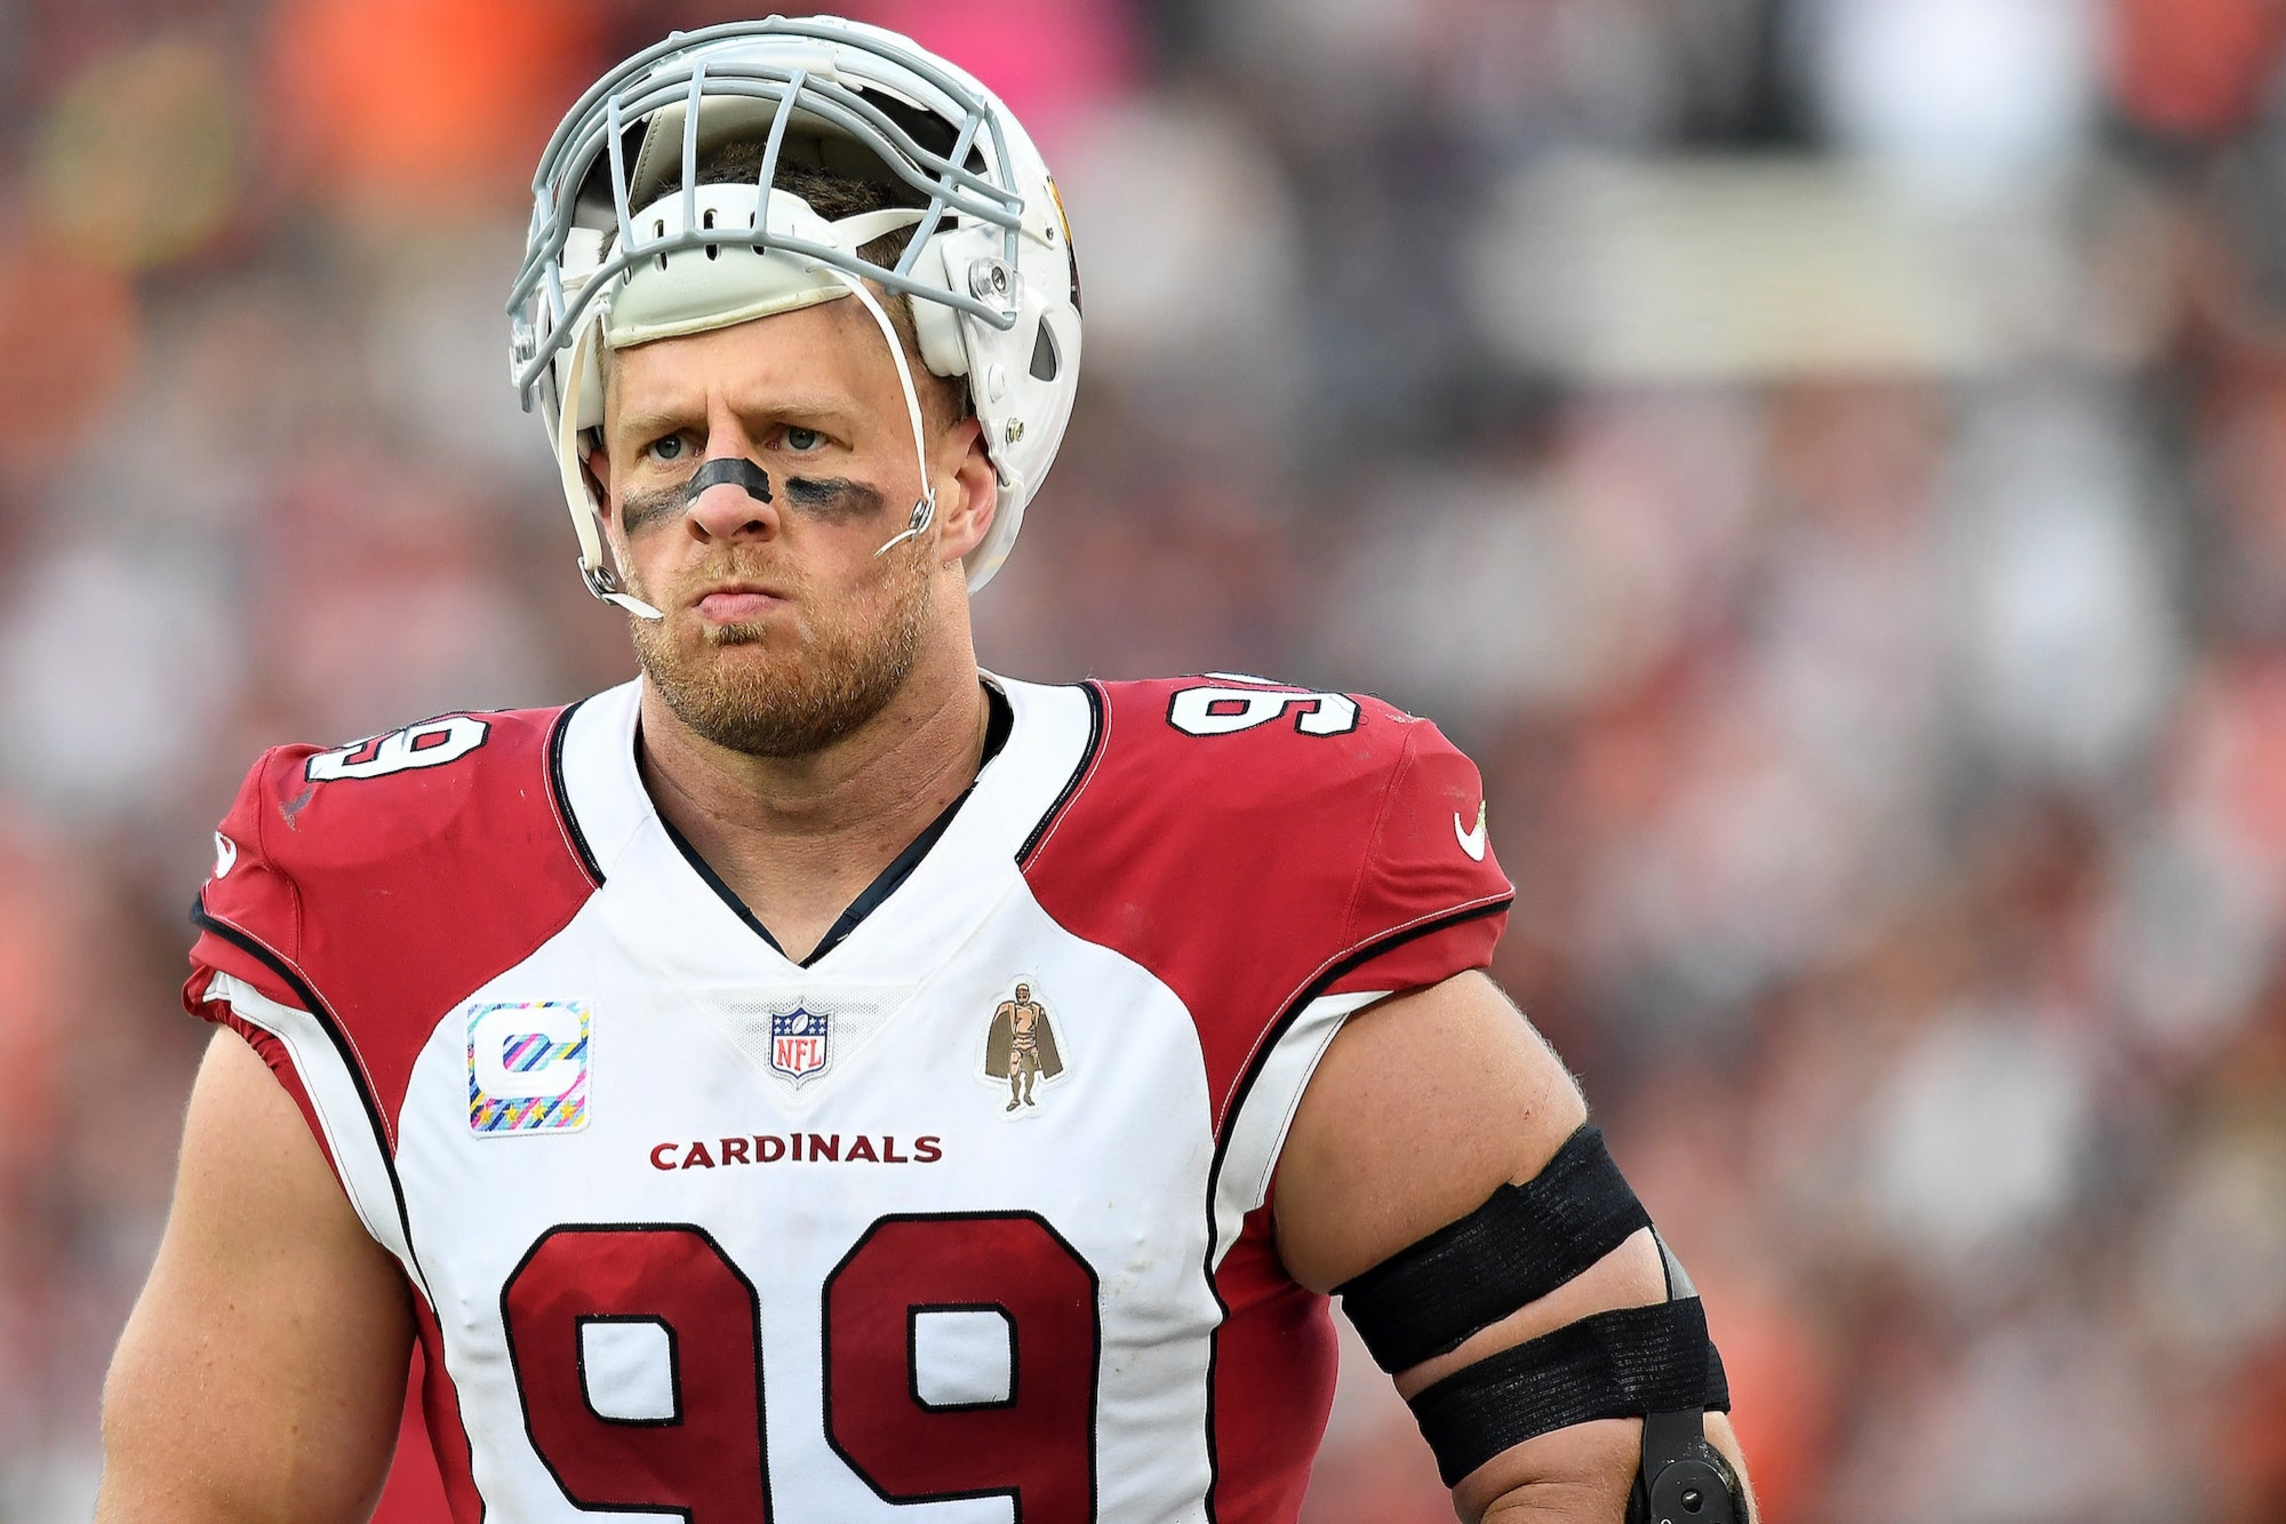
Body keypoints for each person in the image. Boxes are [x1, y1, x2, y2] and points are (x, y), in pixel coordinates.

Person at [95, 17, 1753, 1523]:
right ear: (595, 493)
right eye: (667, 444)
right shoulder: (384, 912)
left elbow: (1622, 1445)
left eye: (798, 439)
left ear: (966, 475)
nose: (724, 500)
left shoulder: (1230, 878)